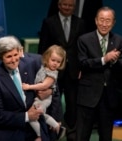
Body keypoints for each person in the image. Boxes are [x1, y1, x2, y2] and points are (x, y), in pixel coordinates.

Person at [0, 36, 63, 141]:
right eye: (9, 56)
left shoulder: (33, 63)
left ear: (19, 51)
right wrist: (27, 116)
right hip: (12, 132)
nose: (14, 60)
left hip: (38, 130)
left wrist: (50, 92)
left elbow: (55, 87)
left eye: (15, 55)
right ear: (1, 57)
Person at [76, 6, 122, 141]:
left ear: (113, 23)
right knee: (82, 135)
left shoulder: (119, 40)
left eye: (108, 21)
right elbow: (82, 63)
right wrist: (105, 59)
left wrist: (115, 61)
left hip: (108, 96)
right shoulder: (84, 40)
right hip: (88, 95)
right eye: (101, 20)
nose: (104, 24)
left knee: (106, 136)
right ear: (96, 21)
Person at [38, 0, 86, 140]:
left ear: (74, 7)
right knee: (52, 103)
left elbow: (83, 49)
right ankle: (51, 132)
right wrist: (44, 70)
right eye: (64, 4)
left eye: (70, 5)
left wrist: (82, 68)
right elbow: (43, 48)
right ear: (59, 5)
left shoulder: (81, 23)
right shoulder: (49, 22)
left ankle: (71, 134)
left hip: (73, 72)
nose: (67, 7)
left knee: (72, 105)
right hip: (53, 71)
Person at [22, 45, 66, 141]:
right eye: (53, 60)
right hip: (38, 98)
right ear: (47, 58)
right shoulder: (44, 67)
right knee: (40, 115)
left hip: (44, 100)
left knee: (33, 116)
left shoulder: (53, 73)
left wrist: (29, 86)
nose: (55, 64)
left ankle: (40, 135)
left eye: (58, 62)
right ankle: (56, 125)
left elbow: (44, 86)